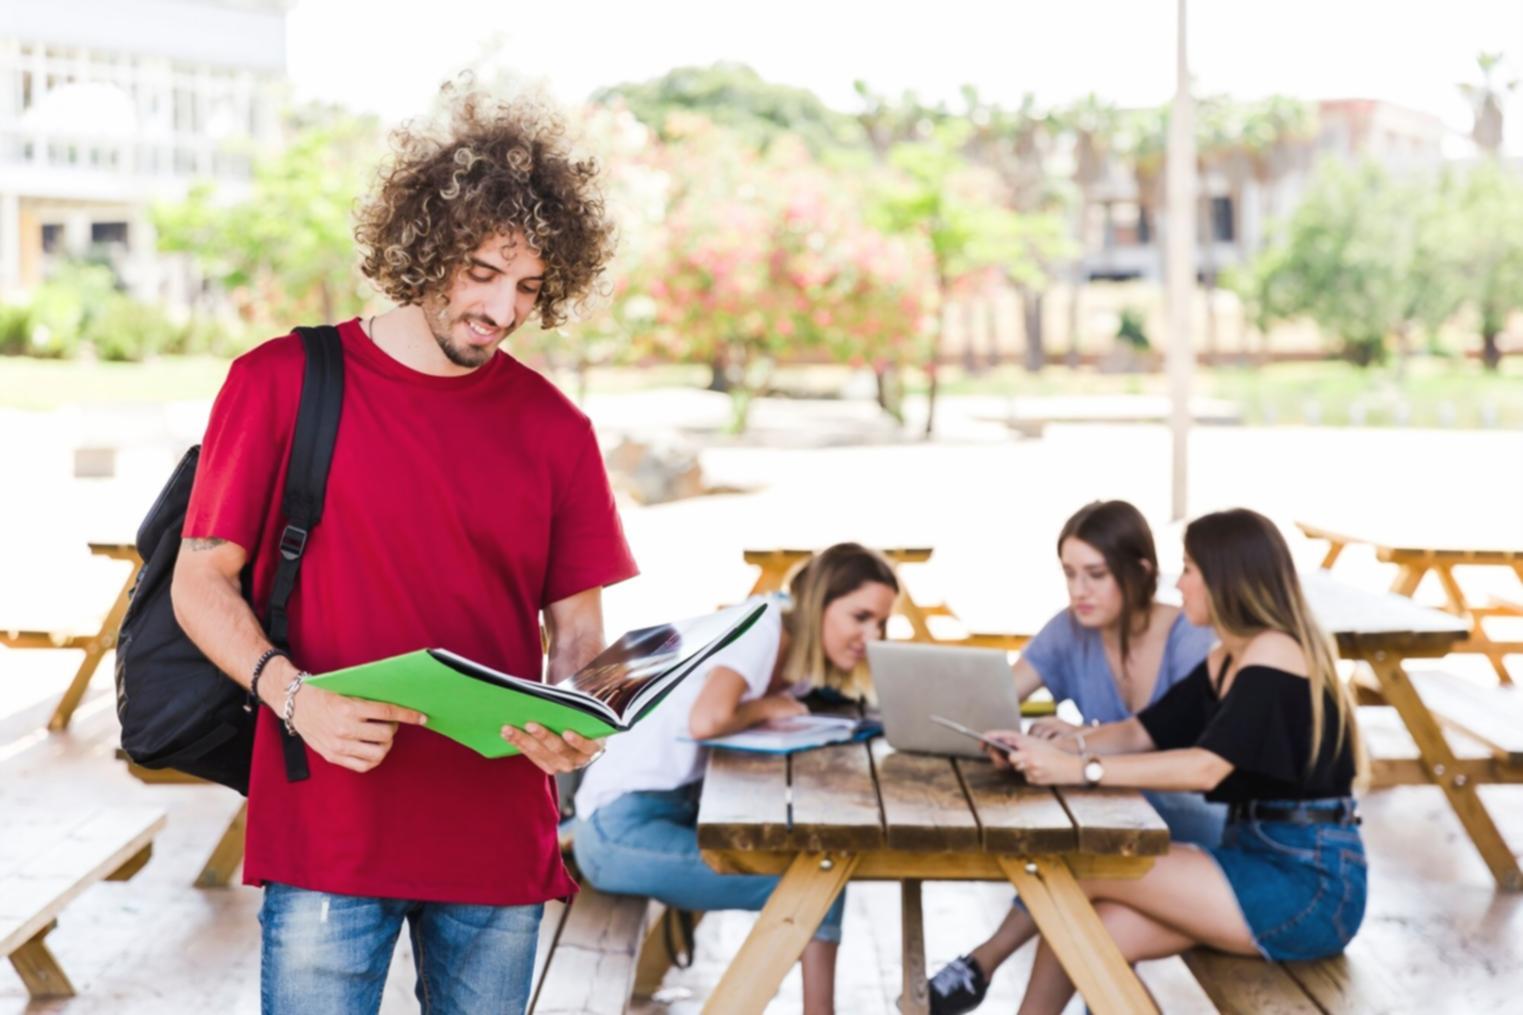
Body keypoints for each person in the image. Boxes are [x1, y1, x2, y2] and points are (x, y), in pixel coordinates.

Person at [172, 85, 637, 1014]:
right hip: (329, 824)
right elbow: (199, 582)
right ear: (425, 245)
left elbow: (578, 632)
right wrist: (293, 696)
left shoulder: (557, 429)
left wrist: (581, 722)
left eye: (530, 287)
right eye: (482, 272)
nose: (502, 308)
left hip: (497, 838)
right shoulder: (279, 383)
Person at [984, 508, 1366, 1015]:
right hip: (1252, 857)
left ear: (1225, 580)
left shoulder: (1275, 652)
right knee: (1096, 930)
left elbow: (1207, 767)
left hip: (1310, 885)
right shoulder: (1226, 658)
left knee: (1082, 867)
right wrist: (1060, 749)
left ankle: (991, 974)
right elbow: (1143, 732)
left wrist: (1081, 770)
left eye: (1189, 569)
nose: (1179, 583)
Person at [571, 543, 900, 1015]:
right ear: (821, 602)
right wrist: (766, 707)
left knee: (806, 865)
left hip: (658, 814)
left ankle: (645, 989)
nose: (872, 634)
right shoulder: (761, 626)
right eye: (861, 617)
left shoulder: (784, 642)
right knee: (817, 883)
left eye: (881, 623)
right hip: (617, 831)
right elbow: (706, 721)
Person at [928, 499, 1225, 1015]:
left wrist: (1079, 741)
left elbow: (1192, 755)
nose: (1079, 591)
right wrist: (1012, 740)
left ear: (1141, 572)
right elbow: (997, 696)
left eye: (1095, 574)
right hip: (1118, 811)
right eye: (1069, 574)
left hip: (1198, 816)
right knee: (1089, 884)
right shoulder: (1070, 628)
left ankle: (988, 956)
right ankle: (1016, 974)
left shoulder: (1190, 635)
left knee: (1081, 851)